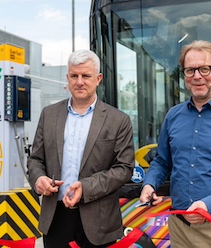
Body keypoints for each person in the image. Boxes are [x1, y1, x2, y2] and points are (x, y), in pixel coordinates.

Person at [139, 40, 211, 247]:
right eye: (190, 70)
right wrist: (150, 183)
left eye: (204, 69)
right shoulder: (173, 116)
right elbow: (162, 161)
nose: (197, 76)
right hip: (180, 228)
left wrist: (207, 205)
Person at [27, 50, 135, 248]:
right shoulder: (49, 115)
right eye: (74, 76)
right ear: (67, 78)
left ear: (98, 79)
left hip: (99, 222)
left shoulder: (118, 120)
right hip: (55, 218)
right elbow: (35, 160)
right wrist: (38, 179)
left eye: (86, 76)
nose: (79, 82)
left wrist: (86, 187)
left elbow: (124, 168)